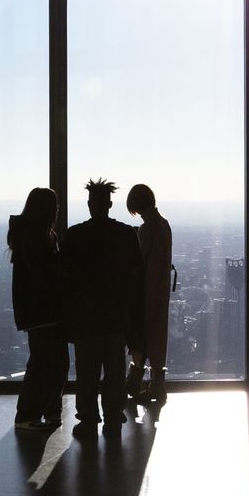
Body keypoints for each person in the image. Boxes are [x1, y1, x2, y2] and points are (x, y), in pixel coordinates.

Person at [60, 179, 141, 436]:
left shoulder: (74, 236)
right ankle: (113, 415)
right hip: (116, 315)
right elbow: (135, 277)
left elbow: (65, 278)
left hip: (85, 317)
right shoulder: (127, 235)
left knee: (87, 371)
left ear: (89, 205)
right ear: (109, 204)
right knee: (115, 370)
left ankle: (88, 418)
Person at [8, 188, 67, 431]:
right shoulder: (37, 238)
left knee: (48, 361)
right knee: (50, 362)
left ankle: (45, 411)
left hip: (37, 313)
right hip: (44, 312)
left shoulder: (29, 235)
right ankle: (30, 413)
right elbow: (45, 276)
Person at [124, 183, 174, 410]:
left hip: (145, 293)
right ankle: (157, 385)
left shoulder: (148, 229)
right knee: (157, 337)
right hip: (160, 292)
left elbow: (137, 260)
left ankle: (134, 382)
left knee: (140, 336)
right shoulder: (164, 224)